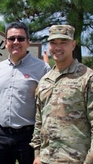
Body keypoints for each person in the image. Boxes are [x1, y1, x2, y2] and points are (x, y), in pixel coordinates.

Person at [0, 21, 51, 164]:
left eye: (21, 38)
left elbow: (48, 108)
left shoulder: (42, 69)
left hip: (29, 137)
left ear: (28, 42)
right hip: (1, 136)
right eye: (12, 39)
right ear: (5, 42)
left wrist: (43, 145)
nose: (16, 42)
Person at [30, 25, 93, 164]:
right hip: (46, 159)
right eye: (53, 42)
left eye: (63, 42)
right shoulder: (45, 80)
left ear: (73, 45)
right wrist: (37, 154)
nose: (57, 47)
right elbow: (39, 121)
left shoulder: (87, 78)